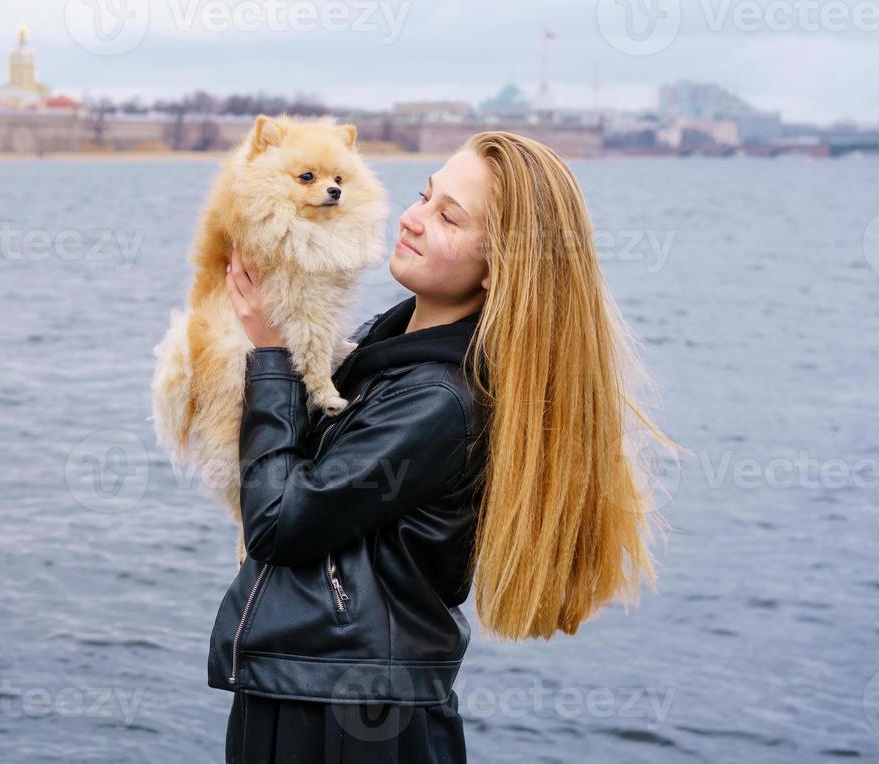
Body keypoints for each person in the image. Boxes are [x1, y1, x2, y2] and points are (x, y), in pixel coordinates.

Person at [210, 131, 676, 764]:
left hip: (349, 716)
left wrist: (271, 353)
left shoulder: (440, 400)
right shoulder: (391, 341)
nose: (412, 218)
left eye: (448, 216)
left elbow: (281, 522)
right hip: (310, 684)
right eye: (425, 196)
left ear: (504, 265)